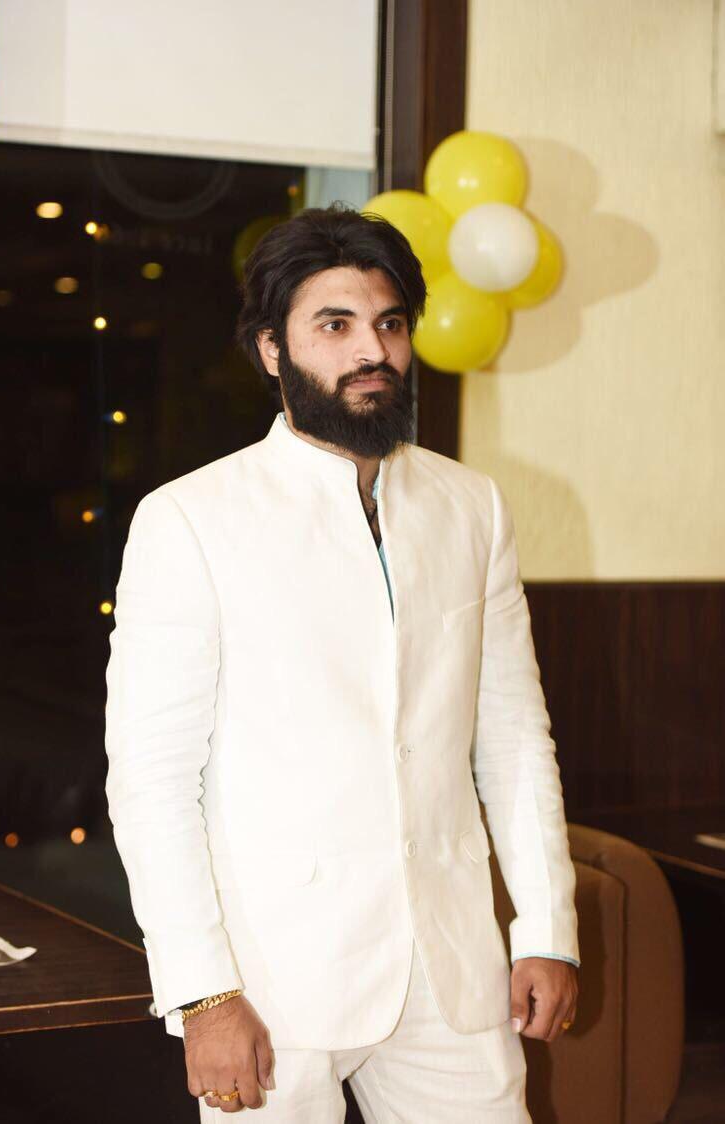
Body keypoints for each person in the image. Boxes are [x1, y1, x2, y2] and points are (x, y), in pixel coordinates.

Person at [104, 203, 579, 1121]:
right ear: (272, 350)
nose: (373, 351)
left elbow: (515, 737)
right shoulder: (191, 519)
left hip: (450, 966)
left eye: (390, 324)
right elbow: (153, 779)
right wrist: (203, 992)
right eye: (335, 325)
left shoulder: (471, 505)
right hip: (271, 979)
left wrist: (548, 927)